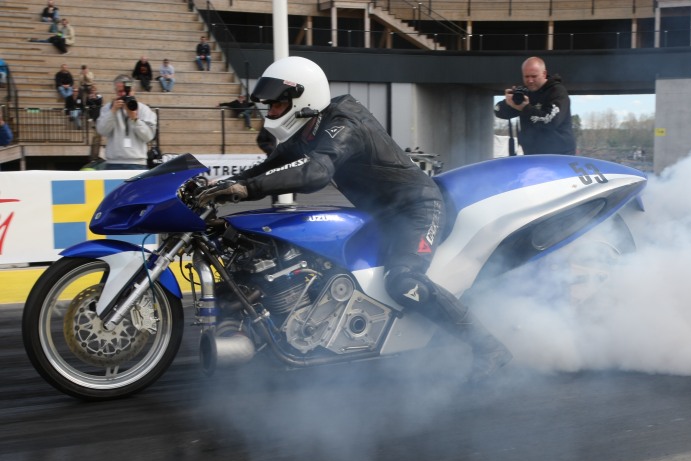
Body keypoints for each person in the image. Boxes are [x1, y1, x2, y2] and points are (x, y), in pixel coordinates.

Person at [196, 57, 513, 383]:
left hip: (416, 209)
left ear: (302, 99)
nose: (272, 112)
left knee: (403, 282)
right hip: (377, 215)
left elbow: (315, 173)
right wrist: (222, 186)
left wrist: (243, 190)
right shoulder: (307, 131)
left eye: (278, 104)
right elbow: (265, 168)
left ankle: (489, 348)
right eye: (270, 105)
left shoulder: (344, 123)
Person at [494, 56, 576, 156]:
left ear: (544, 74)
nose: (530, 80)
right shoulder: (524, 93)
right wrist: (508, 103)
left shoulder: (557, 92)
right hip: (531, 155)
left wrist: (525, 108)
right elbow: (498, 111)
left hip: (559, 155)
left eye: (534, 76)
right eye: (526, 77)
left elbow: (551, 121)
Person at [95, 74, 157, 169]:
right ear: (115, 91)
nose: (124, 94)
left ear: (133, 90)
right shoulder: (107, 108)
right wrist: (113, 111)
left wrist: (135, 119)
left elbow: (148, 136)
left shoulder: (144, 110)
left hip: (138, 163)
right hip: (113, 163)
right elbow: (102, 131)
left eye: (127, 91)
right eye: (120, 91)